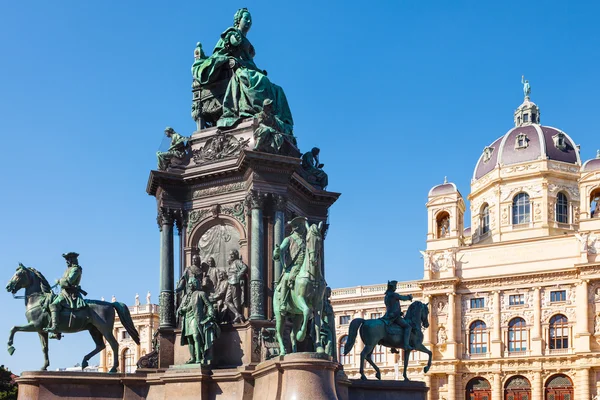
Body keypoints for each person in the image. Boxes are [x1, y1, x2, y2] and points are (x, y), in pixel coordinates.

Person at [192, 8, 293, 134]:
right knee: (257, 79)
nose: (249, 21)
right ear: (238, 21)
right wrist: (232, 43)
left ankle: (271, 117)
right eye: (246, 18)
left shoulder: (248, 43)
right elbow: (221, 53)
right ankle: (254, 112)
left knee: (277, 89)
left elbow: (249, 61)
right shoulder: (232, 33)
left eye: (250, 19)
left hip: (247, 68)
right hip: (236, 70)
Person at [177, 277, 219, 364]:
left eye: (191, 283)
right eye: (189, 283)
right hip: (186, 318)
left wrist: (210, 316)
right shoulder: (185, 297)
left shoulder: (200, 294)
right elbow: (180, 308)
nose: (189, 285)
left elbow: (209, 305)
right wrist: (181, 310)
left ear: (195, 284)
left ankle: (199, 358)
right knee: (189, 339)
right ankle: (192, 358)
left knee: (196, 336)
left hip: (195, 317)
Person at [45, 252, 87, 335]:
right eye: (66, 259)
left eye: (68, 259)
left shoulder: (76, 269)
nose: (67, 261)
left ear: (72, 260)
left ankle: (55, 328)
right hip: (64, 292)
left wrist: (58, 281)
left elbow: (69, 281)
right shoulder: (68, 270)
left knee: (53, 305)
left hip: (70, 293)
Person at [273, 217, 307, 313]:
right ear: (296, 227)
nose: (303, 228)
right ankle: (283, 303)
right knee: (286, 278)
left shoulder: (306, 241)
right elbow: (281, 249)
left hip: (305, 266)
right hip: (294, 266)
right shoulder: (289, 239)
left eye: (303, 226)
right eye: (301, 226)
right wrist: (277, 251)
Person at [382, 280, 413, 351]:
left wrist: (399, 313)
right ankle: (406, 345)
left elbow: (391, 306)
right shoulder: (394, 295)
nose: (395, 288)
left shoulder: (386, 296)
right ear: (392, 287)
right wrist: (409, 297)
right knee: (407, 327)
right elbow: (403, 298)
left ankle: (393, 347)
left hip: (388, 315)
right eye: (395, 287)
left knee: (394, 329)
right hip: (394, 316)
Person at [224, 250, 247, 323]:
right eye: (230, 254)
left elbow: (244, 267)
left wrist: (238, 275)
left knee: (235, 299)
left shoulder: (237, 261)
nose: (230, 256)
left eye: (232, 254)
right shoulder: (232, 264)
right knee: (227, 301)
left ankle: (238, 317)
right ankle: (237, 314)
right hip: (230, 282)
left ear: (235, 255)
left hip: (235, 281)